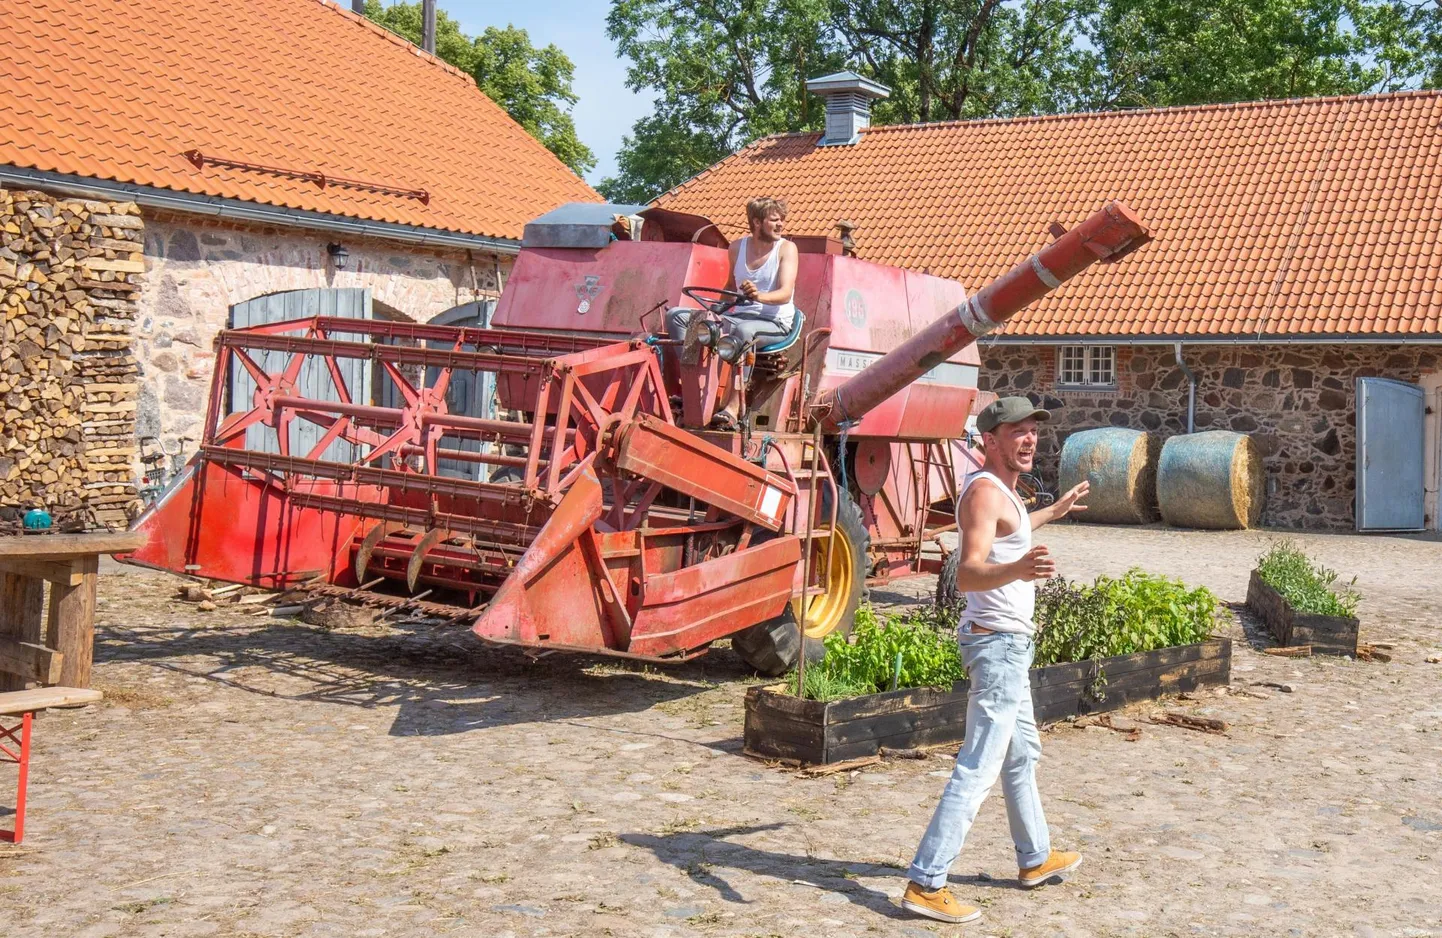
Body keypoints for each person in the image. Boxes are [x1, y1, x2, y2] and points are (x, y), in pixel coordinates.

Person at [900, 396, 1091, 925]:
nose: (1030, 439)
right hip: (998, 645)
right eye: (1017, 432)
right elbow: (968, 573)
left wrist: (1052, 512)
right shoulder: (985, 495)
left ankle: (1034, 858)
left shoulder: (1003, 493)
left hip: (1010, 644)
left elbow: (1012, 530)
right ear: (991, 440)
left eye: (1033, 431)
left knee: (1021, 754)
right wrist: (1022, 570)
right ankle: (926, 880)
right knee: (980, 765)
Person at [666, 196, 799, 354]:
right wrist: (714, 314)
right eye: (775, 220)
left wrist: (757, 296)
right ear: (757, 222)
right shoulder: (736, 248)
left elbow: (785, 293)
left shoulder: (786, 248)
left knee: (744, 331)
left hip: (773, 321)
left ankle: (741, 379)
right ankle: (689, 373)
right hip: (738, 317)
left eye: (781, 220)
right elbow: (730, 286)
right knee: (676, 315)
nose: (780, 225)